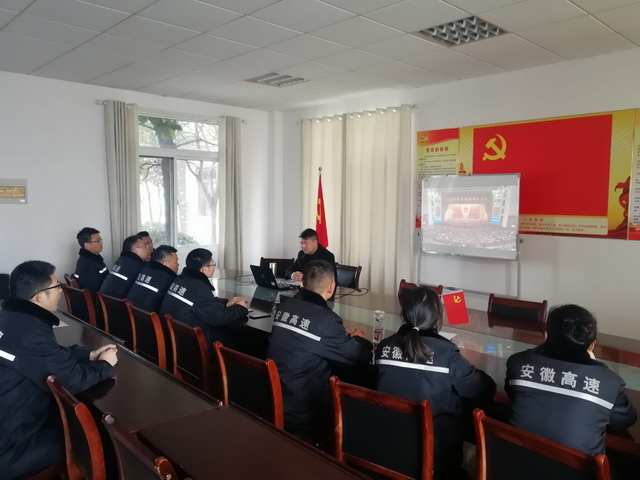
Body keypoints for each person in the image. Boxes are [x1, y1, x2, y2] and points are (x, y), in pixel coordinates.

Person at [0, 261, 117, 480]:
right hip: (11, 447)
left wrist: (89, 355)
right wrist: (105, 365)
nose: (61, 291)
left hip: (12, 423)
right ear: (39, 297)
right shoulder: (30, 332)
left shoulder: (10, 318)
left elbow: (46, 354)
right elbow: (73, 380)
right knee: (99, 440)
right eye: (57, 287)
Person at [375, 287, 496, 480]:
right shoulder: (446, 352)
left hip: (388, 444)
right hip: (435, 456)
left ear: (404, 314)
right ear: (437, 318)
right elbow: (479, 388)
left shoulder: (384, 346)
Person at [506, 304, 636, 456]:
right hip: (574, 469)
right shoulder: (609, 382)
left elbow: (512, 394)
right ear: (591, 346)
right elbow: (624, 420)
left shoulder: (518, 363)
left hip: (511, 463)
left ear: (546, 336)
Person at [268, 260, 373, 438]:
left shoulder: (284, 307)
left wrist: (337, 336)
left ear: (303, 283)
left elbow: (309, 336)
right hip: (303, 410)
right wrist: (358, 339)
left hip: (274, 396)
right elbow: (356, 356)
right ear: (331, 287)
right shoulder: (327, 320)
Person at [159, 248, 248, 346]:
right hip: (192, 343)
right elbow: (218, 318)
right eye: (213, 264)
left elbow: (202, 302)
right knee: (239, 338)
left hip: (176, 336)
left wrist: (226, 303)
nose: (214, 267)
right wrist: (239, 308)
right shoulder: (199, 287)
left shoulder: (181, 279)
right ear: (204, 269)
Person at [126, 245, 179, 313]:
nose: (178, 265)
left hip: (129, 313)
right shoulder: (168, 279)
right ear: (165, 264)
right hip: (147, 318)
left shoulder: (144, 270)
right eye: (176, 262)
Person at [99, 234, 150, 299]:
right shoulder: (136, 266)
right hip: (117, 303)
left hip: (104, 301)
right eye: (145, 246)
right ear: (135, 251)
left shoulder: (122, 261)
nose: (148, 249)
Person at [71, 227, 108, 294]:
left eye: (101, 240)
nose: (101, 243)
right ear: (87, 245)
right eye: (98, 241)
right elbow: (95, 290)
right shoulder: (88, 265)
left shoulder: (92, 258)